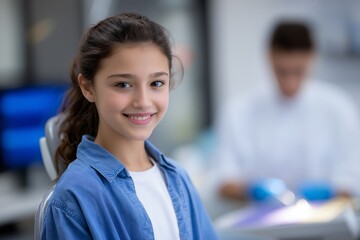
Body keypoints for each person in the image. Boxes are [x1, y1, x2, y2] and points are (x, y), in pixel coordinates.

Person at [40, 13, 217, 239]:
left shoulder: (177, 178)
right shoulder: (75, 197)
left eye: (156, 83)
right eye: (123, 84)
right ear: (88, 87)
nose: (143, 101)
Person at [217, 21, 360, 202]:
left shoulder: (338, 108)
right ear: (269, 57)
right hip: (261, 224)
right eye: (282, 71)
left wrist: (332, 191)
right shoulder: (240, 110)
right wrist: (250, 190)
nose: (289, 82)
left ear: (312, 58)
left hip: (326, 224)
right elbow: (224, 180)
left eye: (298, 71)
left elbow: (354, 179)